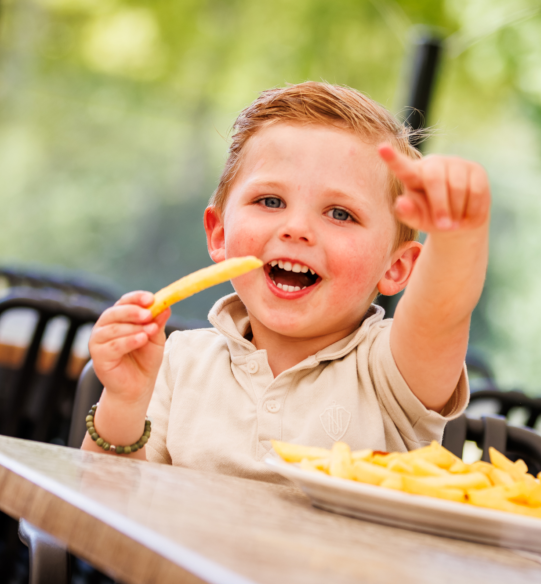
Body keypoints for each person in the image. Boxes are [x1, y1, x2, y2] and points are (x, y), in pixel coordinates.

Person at [84, 82, 491, 483]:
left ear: (396, 268)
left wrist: (458, 235)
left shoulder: (392, 370)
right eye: (271, 201)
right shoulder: (177, 362)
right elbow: (105, 506)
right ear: (219, 234)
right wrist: (124, 401)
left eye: (340, 214)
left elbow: (442, 312)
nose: (297, 229)